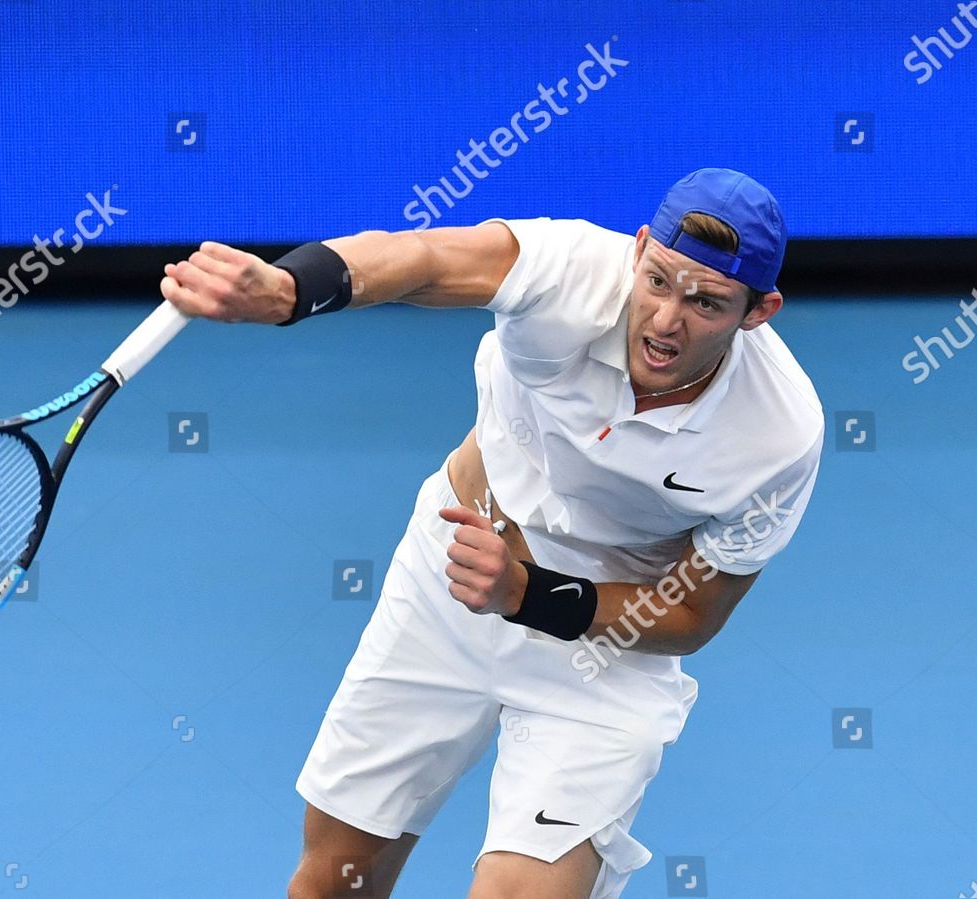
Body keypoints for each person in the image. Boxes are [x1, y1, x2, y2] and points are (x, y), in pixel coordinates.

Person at [159, 169, 823, 898]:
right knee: (332, 882)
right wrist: (291, 290)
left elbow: (694, 613)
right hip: (448, 585)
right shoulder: (569, 268)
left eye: (706, 303)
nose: (667, 319)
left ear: (759, 311)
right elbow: (425, 258)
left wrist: (526, 593)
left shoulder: (779, 433)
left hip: (601, 655)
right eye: (658, 281)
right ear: (637, 251)